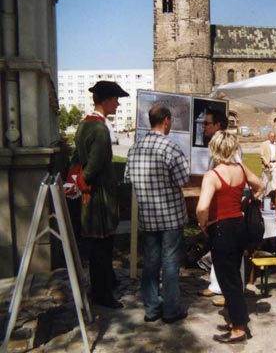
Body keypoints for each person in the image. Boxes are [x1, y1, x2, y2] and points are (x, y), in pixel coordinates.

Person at [196, 131, 264, 344]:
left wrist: (202, 223)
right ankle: (236, 319)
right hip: (239, 225)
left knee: (229, 281)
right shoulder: (241, 169)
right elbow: (260, 186)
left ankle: (239, 328)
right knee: (233, 275)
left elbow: (202, 207)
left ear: (214, 149)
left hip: (222, 228)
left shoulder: (212, 175)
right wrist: (247, 202)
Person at [124, 105, 189, 323]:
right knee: (170, 264)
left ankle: (152, 308)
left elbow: (128, 179)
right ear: (167, 121)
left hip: (148, 214)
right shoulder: (170, 147)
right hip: (170, 215)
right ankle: (171, 310)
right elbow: (182, 180)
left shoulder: (135, 148)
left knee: (150, 262)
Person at [69, 80, 128, 308]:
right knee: (102, 246)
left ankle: (105, 284)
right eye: (115, 100)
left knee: (97, 246)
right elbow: (93, 166)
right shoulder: (100, 128)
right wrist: (84, 183)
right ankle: (102, 293)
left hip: (91, 195)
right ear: (105, 100)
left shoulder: (85, 124)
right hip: (99, 197)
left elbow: (78, 160)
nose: (117, 105)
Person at [198, 108, 241, 306]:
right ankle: (217, 285)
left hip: (228, 204)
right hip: (216, 202)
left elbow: (237, 170)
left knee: (230, 253)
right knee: (218, 248)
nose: (203, 127)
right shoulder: (213, 145)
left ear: (217, 125)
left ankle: (230, 290)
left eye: (207, 123)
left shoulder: (230, 146)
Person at [260, 131, 276, 199]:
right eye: (271, 136)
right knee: (265, 181)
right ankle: (261, 197)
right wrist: (267, 163)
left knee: (275, 181)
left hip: (275, 164)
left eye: (274, 136)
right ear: (268, 137)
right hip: (267, 165)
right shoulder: (264, 144)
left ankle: (274, 197)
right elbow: (262, 155)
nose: (272, 138)